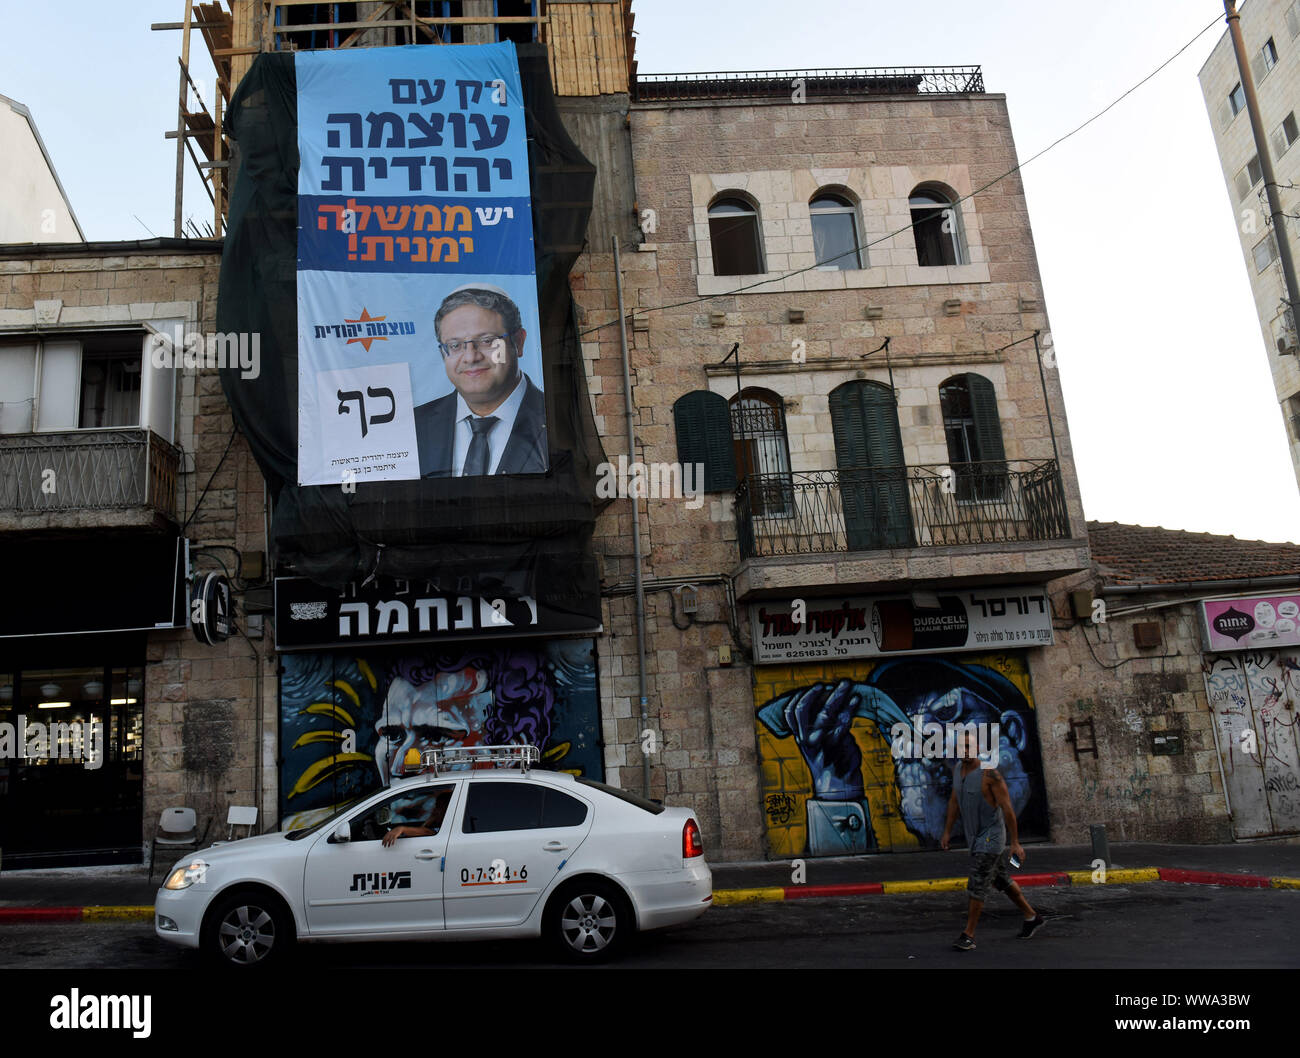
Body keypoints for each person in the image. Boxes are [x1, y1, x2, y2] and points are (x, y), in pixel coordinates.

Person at [413, 284, 548, 477]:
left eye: (487, 341)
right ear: (443, 354)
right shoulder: (414, 428)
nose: (471, 357)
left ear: (518, 342)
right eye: (455, 345)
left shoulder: (554, 418)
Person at [940, 727, 1045, 950]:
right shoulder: (958, 770)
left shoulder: (990, 774)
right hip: (975, 838)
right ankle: (1031, 917)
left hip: (992, 838)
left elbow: (1007, 809)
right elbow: (953, 802)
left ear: (978, 748)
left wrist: (1015, 842)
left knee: (977, 882)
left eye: (969, 746)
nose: (965, 750)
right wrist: (947, 831)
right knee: (1001, 880)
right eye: (961, 747)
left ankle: (968, 934)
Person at [381, 787, 453, 846]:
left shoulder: (448, 824)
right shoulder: (435, 819)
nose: (434, 809)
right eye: (436, 806)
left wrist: (402, 829)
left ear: (446, 809)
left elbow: (428, 832)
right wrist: (432, 818)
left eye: (438, 807)